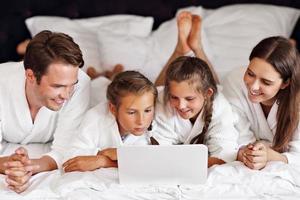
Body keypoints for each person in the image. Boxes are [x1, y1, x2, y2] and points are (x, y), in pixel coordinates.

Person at [0, 30, 90, 193]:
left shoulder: (81, 85)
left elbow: (66, 148)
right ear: (31, 76)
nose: (67, 95)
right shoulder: (1, 83)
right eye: (58, 86)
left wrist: (31, 167)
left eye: (72, 84)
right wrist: (11, 166)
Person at [153, 11, 238, 167]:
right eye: (174, 97)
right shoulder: (163, 98)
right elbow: (159, 152)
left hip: (212, 93)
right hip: (163, 91)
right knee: (155, 90)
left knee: (214, 85)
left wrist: (185, 165)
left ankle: (196, 48)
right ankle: (180, 49)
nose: (181, 105)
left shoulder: (219, 105)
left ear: (207, 94)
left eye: (189, 99)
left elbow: (224, 153)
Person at [222, 36, 300, 170]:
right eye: (250, 74)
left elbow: (297, 154)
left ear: (285, 83)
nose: (253, 87)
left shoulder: (297, 103)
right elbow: (237, 136)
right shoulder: (234, 82)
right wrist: (248, 152)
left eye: (266, 82)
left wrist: (271, 156)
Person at [63, 71, 158, 172]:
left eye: (147, 110)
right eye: (131, 112)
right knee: (99, 83)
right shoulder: (95, 117)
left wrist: (105, 160)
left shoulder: (152, 122)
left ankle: (110, 73)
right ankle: (99, 75)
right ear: (113, 109)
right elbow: (72, 155)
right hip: (97, 92)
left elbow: (146, 160)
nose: (141, 121)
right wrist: (102, 154)